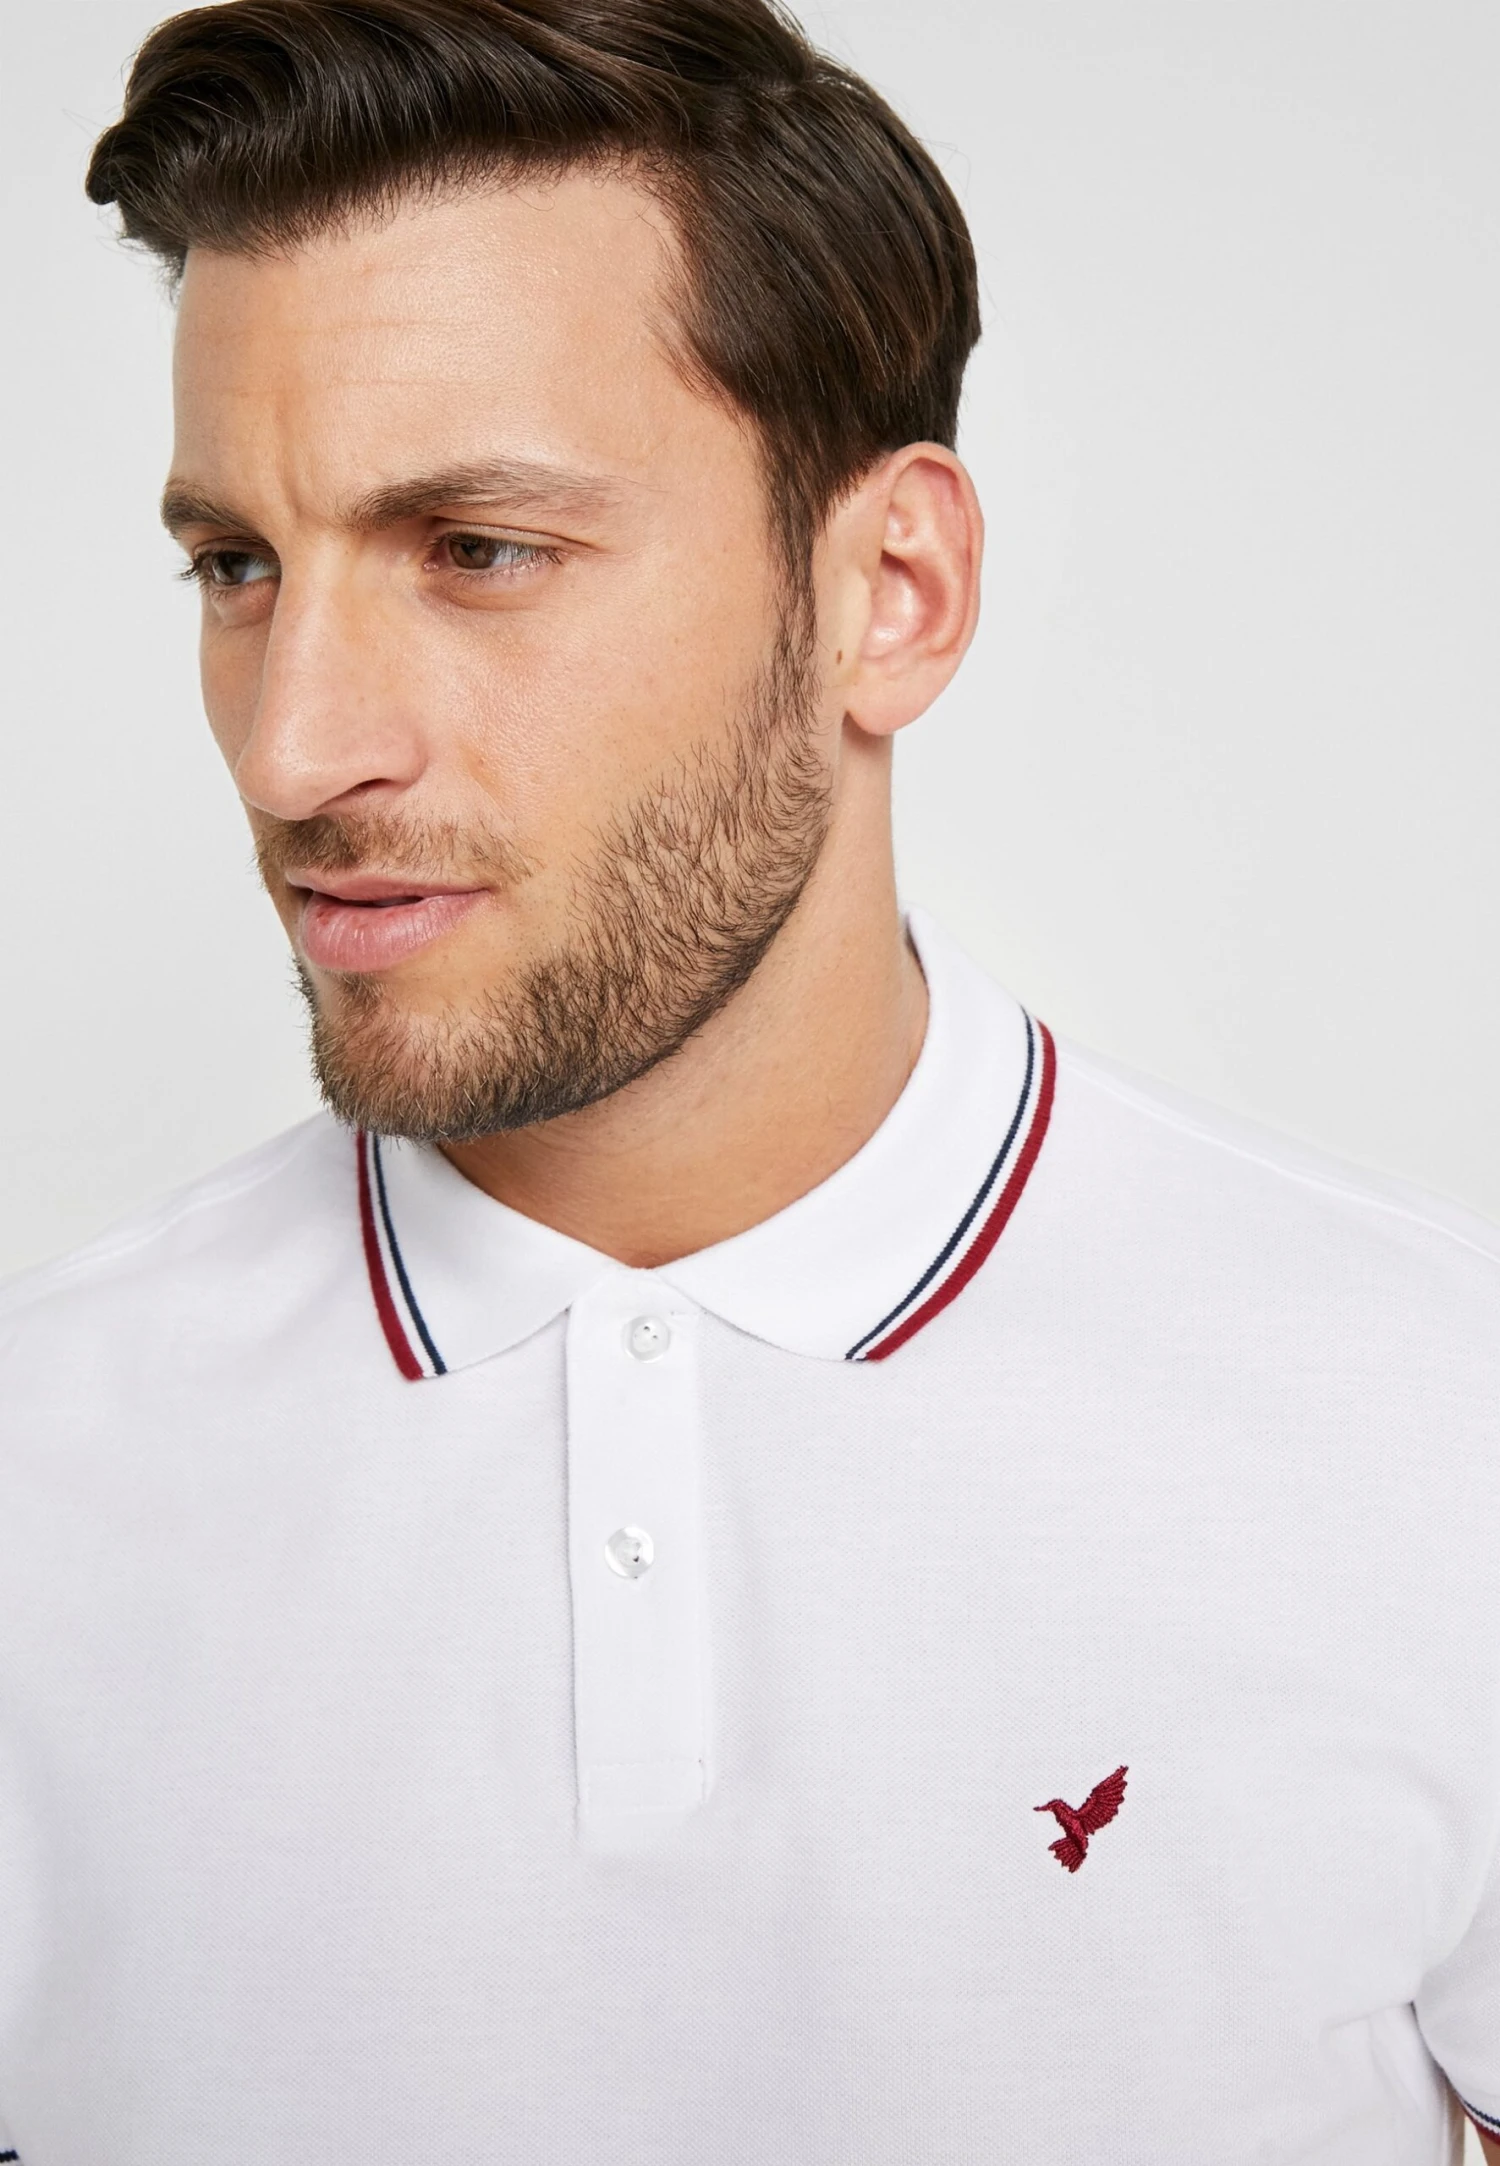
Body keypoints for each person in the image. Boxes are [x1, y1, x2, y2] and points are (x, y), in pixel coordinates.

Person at [0, 1, 1495, 2158]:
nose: (293, 742)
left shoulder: (1445, 1429)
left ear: (892, 590)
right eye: (237, 565)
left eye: (478, 549)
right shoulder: (38, 1482)